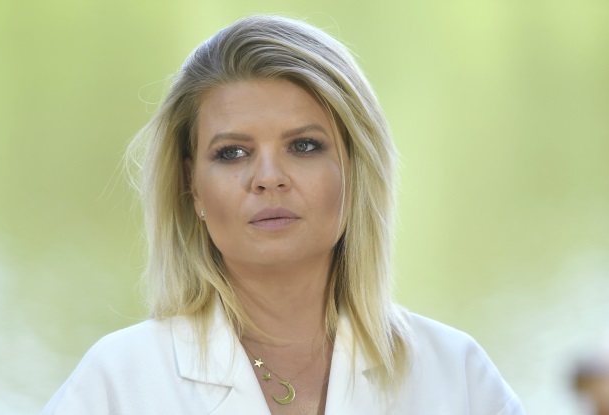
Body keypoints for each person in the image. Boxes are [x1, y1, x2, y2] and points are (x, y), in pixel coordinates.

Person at [42, 15, 525, 415]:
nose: (269, 178)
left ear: (355, 169)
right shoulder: (118, 382)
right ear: (192, 186)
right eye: (233, 153)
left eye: (304, 146)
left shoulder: (455, 375)